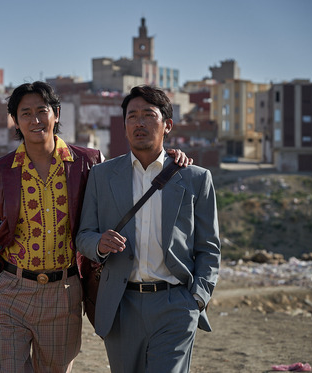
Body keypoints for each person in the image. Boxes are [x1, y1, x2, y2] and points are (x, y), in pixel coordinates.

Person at [0, 81, 190, 372]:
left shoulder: (87, 162)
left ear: (57, 114)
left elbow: (128, 176)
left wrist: (170, 159)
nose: (35, 120)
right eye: (25, 113)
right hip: (10, 290)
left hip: (64, 291)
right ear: (16, 121)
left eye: (42, 111)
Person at [76, 85, 220, 373]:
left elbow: (209, 248)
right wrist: (99, 244)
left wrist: (197, 299)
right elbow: (83, 236)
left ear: (167, 125)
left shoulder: (195, 178)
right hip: (120, 304)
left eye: (148, 115)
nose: (139, 123)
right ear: (125, 125)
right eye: (132, 116)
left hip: (175, 304)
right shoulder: (102, 176)